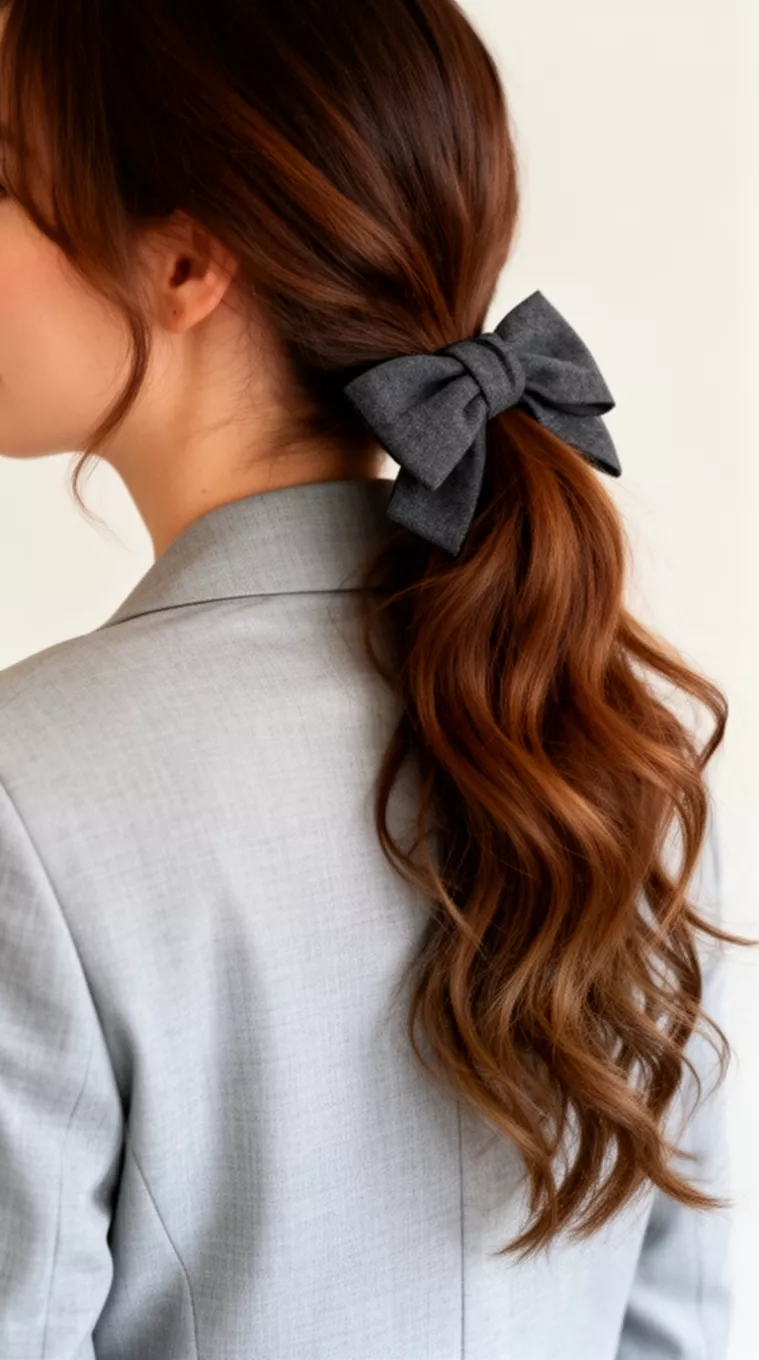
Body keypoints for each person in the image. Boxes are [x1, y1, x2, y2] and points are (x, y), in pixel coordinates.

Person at [0, 1, 753, 1355]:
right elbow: (678, 1330)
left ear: (184, 261)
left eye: (3, 175)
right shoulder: (620, 744)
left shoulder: (27, 794)